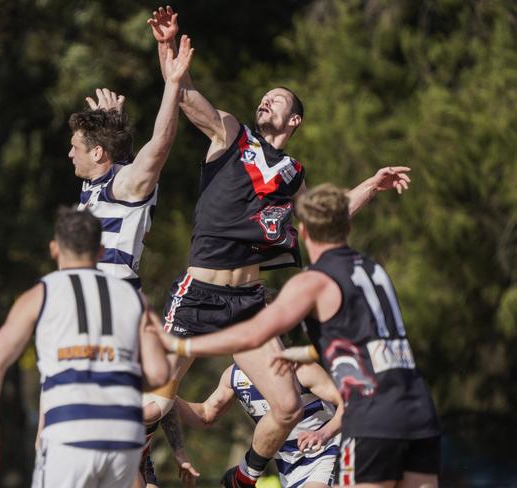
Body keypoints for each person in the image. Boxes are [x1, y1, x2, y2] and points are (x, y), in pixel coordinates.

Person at [146, 6, 412, 487]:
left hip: (247, 303)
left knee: (287, 405)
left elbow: (326, 218)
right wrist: (167, 50)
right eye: (264, 98)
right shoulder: (231, 134)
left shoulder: (293, 174)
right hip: (198, 294)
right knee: (157, 403)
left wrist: (372, 185)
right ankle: (126, 460)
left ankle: (241, 480)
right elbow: (185, 98)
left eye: (277, 100)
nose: (265, 102)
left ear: (296, 120)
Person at [155, 184, 441, 488]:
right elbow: (363, 342)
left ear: (302, 231)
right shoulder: (372, 269)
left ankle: (247, 474)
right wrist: (302, 353)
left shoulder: (314, 281)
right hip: (417, 407)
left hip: (371, 411)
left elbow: (252, 333)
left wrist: (181, 343)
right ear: (347, 225)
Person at [68, 38, 200, 486]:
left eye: (76, 147)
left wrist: (173, 85)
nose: (70, 153)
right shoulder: (99, 184)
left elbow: (159, 145)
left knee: (123, 424)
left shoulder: (127, 186)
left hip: (114, 307)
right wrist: (111, 119)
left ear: (98, 154)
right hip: (92, 310)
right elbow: (121, 151)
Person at [0, 207, 170, 487]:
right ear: (100, 251)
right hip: (123, 434)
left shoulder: (40, 294)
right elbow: (159, 374)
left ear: (54, 248)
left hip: (70, 431)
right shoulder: (134, 299)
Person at [175, 361, 343, 488]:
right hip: (287, 468)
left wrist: (324, 433)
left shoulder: (300, 368)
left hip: (326, 453)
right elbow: (205, 415)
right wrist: (164, 397)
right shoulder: (234, 375)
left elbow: (350, 405)